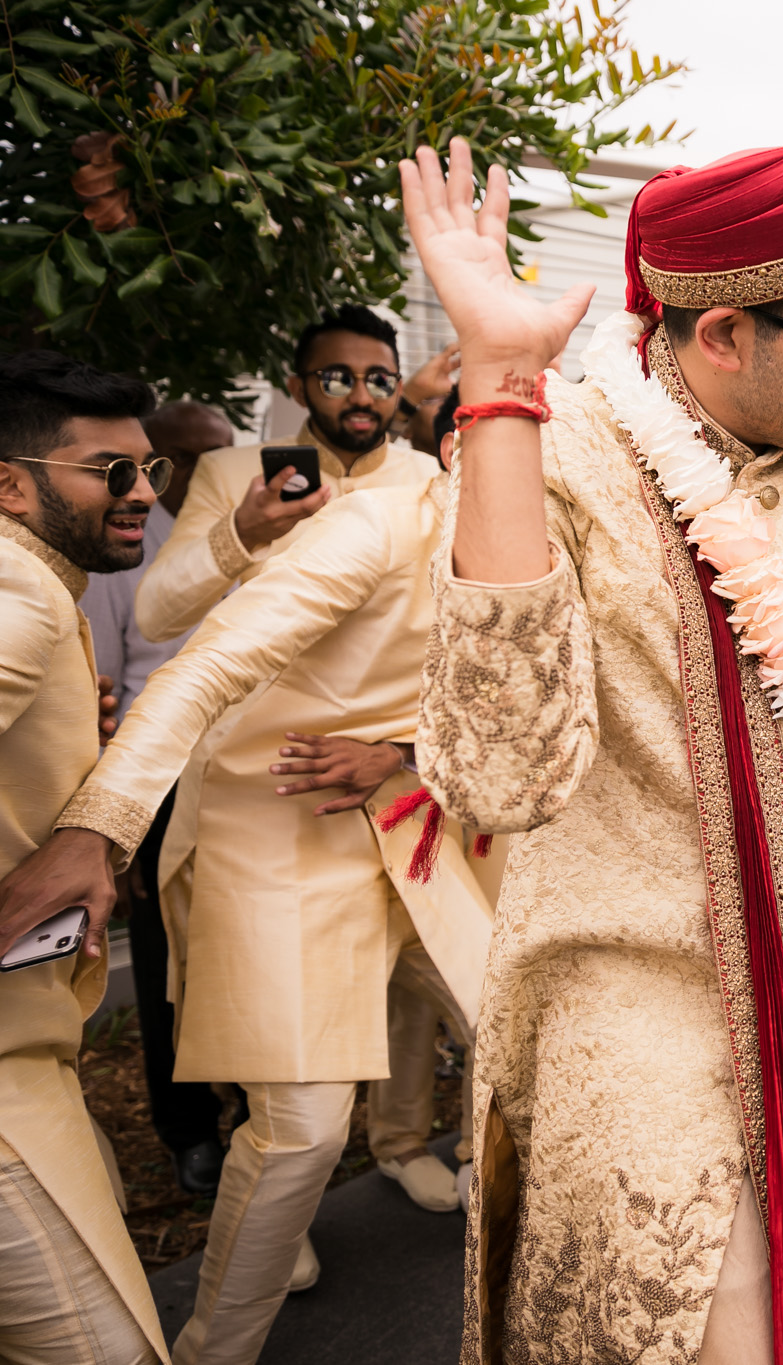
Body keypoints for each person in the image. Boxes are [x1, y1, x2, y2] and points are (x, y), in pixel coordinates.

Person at [400, 58, 783, 1362]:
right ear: (724, 333)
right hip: (641, 1056)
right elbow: (498, 780)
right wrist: (498, 394)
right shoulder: (559, 462)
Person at [5, 383, 498, 1365]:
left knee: (519, 1044)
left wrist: (397, 749)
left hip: (405, 813)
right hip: (276, 813)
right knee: (304, 1129)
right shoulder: (361, 514)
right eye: (119, 473)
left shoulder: (554, 551)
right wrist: (100, 828)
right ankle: (216, 1342)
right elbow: (186, 643)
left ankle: (445, 1207)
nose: (140, 489)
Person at [0, 350, 169, 1364]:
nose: (143, 492)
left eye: (149, 470)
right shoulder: (19, 597)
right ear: (10, 483)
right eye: (111, 470)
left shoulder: (38, 589)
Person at [78, 399, 238, 1200]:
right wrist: (120, 823)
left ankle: (249, 1118)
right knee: (167, 967)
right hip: (161, 783)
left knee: (244, 958)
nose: (215, 468)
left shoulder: (252, 529)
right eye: (189, 456)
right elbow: (102, 688)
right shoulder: (127, 546)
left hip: (245, 775)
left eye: (223, 451)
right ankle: (189, 1135)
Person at [134, 304, 438, 644]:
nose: (362, 397)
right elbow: (155, 619)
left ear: (398, 390)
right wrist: (242, 533)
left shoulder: (432, 479)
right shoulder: (227, 471)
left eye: (380, 381)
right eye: (337, 380)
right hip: (270, 694)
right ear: (298, 390)